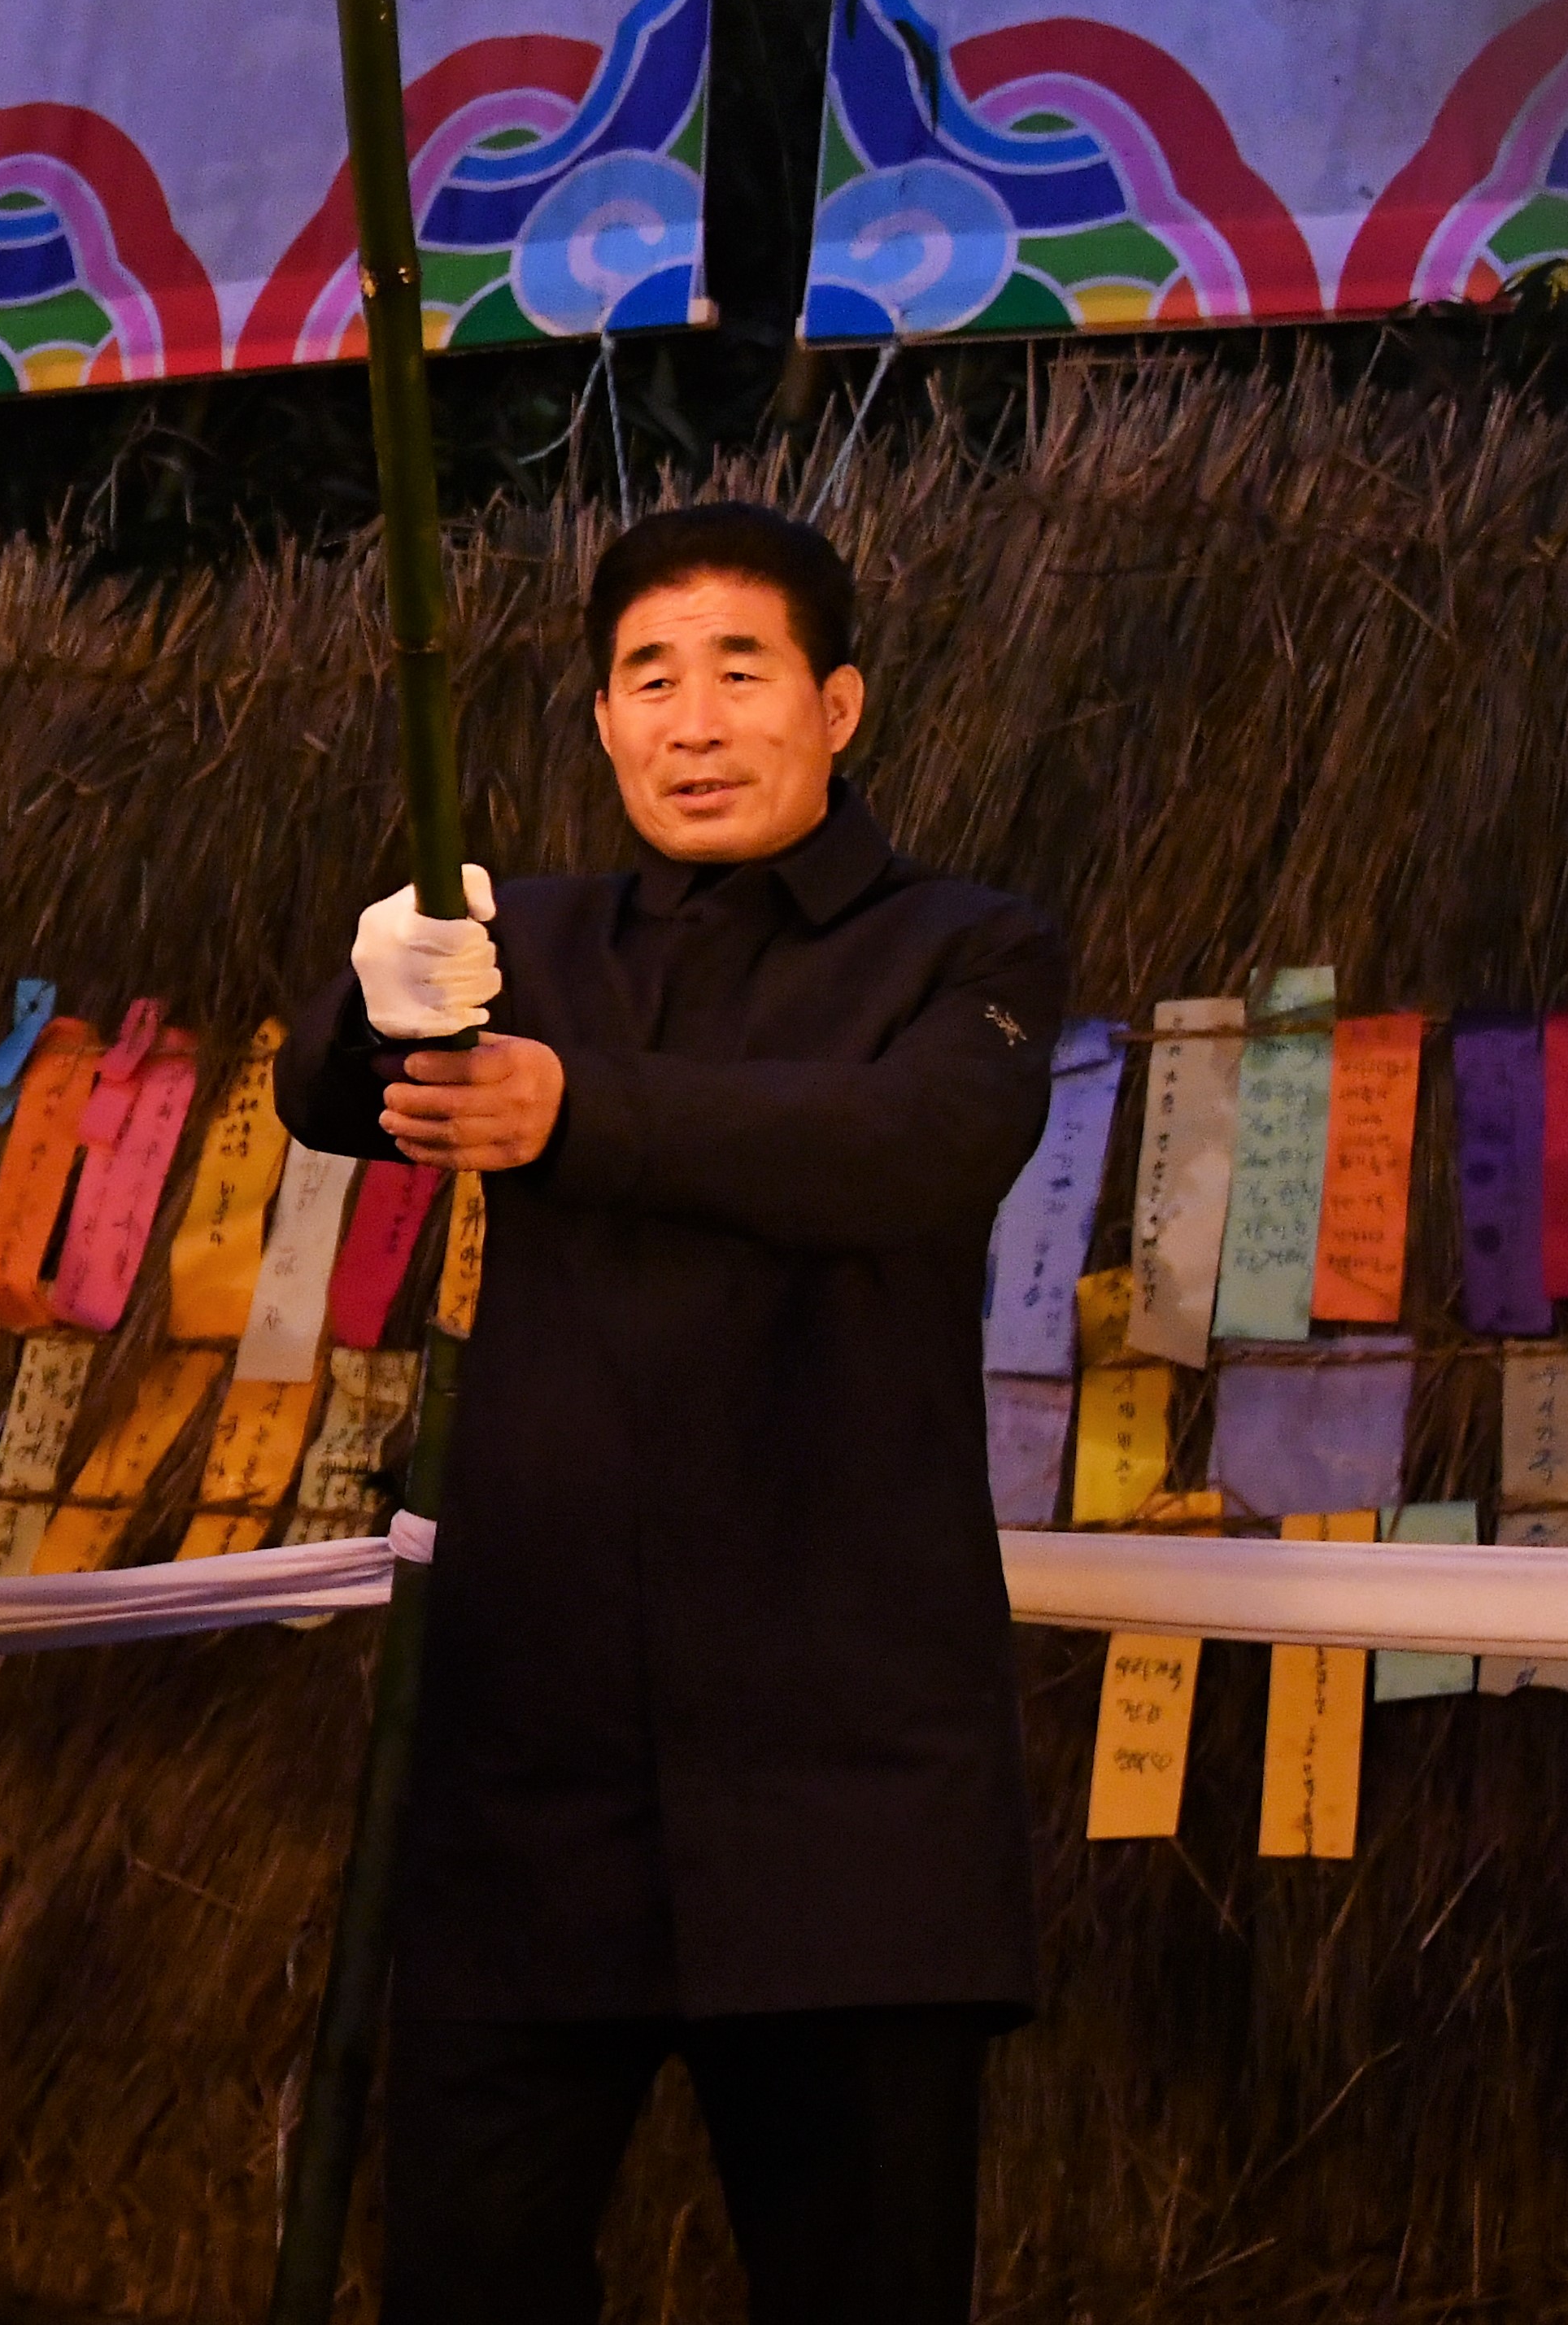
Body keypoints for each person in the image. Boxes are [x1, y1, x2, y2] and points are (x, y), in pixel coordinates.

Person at [278, 501, 1065, 2325]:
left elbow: (916, 1149)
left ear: (840, 701)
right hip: (536, 1772)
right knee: (469, 2269)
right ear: (604, 720)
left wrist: (579, 1112)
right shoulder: (525, 934)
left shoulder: (970, 949)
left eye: (740, 669)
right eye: (648, 676)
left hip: (849, 1782)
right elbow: (336, 1086)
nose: (693, 721)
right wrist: (373, 996)